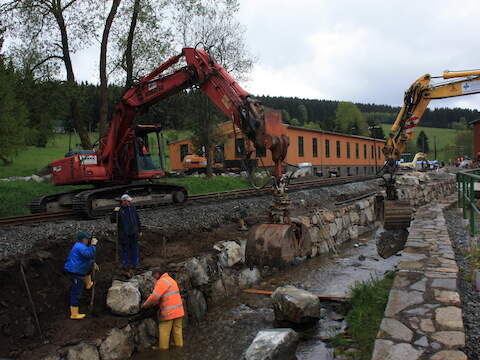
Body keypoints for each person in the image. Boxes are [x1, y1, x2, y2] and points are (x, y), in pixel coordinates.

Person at [142, 268, 184, 350]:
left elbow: (154, 297)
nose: (153, 277)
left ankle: (163, 350)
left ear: (157, 274)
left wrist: (145, 305)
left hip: (169, 312)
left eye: (154, 275)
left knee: (164, 331)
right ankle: (179, 347)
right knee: (177, 331)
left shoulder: (162, 281)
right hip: (179, 311)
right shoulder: (171, 280)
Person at [64, 231, 98, 319]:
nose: (88, 241)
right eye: (87, 239)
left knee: (87, 270)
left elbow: (84, 258)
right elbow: (89, 254)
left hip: (77, 269)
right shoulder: (80, 246)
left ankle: (88, 283)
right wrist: (93, 245)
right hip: (75, 272)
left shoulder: (80, 246)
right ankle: (74, 314)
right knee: (75, 292)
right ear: (83, 239)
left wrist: (92, 263)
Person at [111, 194, 141, 270]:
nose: (129, 202)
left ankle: (135, 264)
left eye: (130, 201)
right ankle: (126, 264)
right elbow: (112, 220)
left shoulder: (132, 208)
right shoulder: (119, 210)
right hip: (124, 234)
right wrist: (115, 212)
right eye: (128, 201)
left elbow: (137, 219)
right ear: (123, 201)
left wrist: (139, 230)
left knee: (134, 249)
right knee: (125, 250)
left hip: (133, 233)